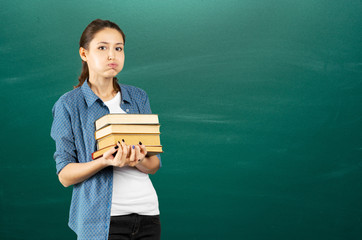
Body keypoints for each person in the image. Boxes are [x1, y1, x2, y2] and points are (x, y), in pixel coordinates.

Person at [51, 19, 162, 240]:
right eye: (102, 47)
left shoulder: (138, 97)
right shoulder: (69, 104)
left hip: (148, 215)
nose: (112, 55)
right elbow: (64, 175)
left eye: (118, 48)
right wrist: (104, 161)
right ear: (84, 53)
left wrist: (138, 159)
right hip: (100, 220)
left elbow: (154, 164)